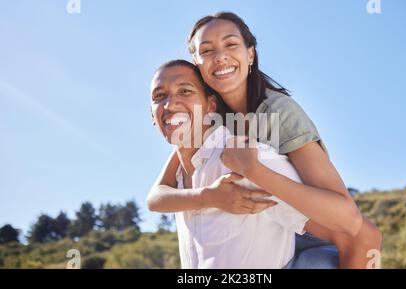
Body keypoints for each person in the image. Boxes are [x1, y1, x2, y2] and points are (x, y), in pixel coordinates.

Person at [149, 12, 382, 269]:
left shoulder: (278, 113)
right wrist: (210, 197)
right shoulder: (206, 120)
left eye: (231, 44)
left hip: (309, 226)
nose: (220, 56)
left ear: (251, 54)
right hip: (266, 228)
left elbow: (357, 229)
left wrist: (253, 170)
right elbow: (157, 195)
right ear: (197, 62)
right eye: (206, 50)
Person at [151, 60, 314, 268]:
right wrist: (208, 197)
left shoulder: (254, 161)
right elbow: (154, 200)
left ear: (211, 106)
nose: (169, 104)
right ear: (152, 116)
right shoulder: (180, 176)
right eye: (159, 96)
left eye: (185, 91)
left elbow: (343, 232)